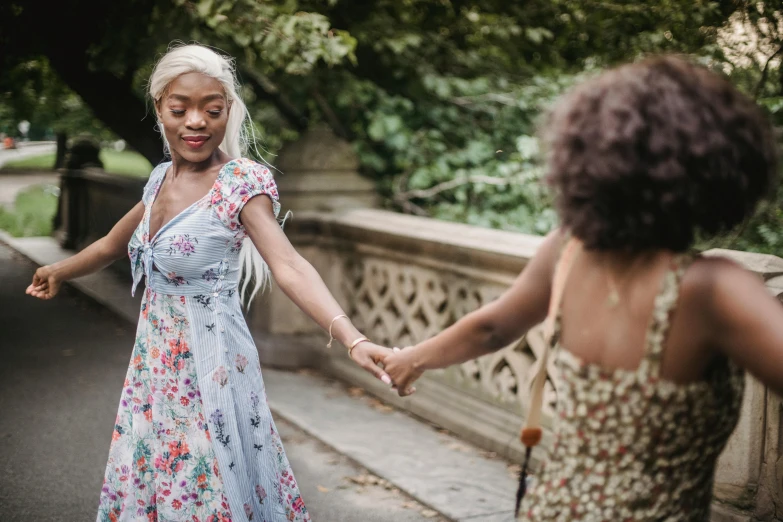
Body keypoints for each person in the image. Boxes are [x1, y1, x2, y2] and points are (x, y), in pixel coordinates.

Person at [381, 55, 783, 520]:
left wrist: (409, 359)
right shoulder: (714, 291)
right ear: (720, 169)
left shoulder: (568, 251)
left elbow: (491, 328)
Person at [26, 44, 393, 522]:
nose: (196, 122)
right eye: (180, 109)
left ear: (228, 112)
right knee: (163, 474)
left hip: (212, 361)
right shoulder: (158, 180)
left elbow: (289, 265)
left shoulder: (240, 182)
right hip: (154, 362)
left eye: (212, 110)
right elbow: (113, 244)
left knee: (206, 481)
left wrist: (352, 338)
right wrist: (58, 270)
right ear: (159, 109)